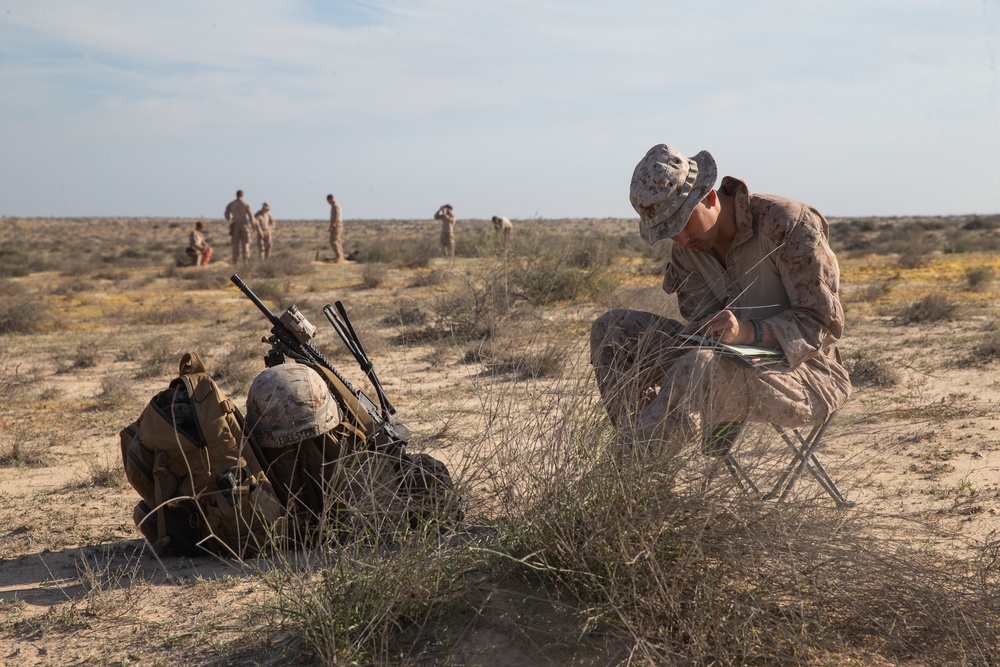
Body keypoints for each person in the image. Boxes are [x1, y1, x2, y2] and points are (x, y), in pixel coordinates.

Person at [590, 143, 851, 459]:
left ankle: (621, 478)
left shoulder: (786, 221)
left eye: (684, 224)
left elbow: (821, 323)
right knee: (612, 329)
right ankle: (645, 472)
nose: (682, 240)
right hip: (716, 367)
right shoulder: (687, 250)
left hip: (806, 374)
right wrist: (704, 332)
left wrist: (745, 332)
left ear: (710, 197)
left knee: (699, 366)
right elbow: (701, 331)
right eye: (669, 233)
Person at [225, 189, 255, 265]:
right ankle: (246, 262)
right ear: (243, 195)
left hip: (235, 225)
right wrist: (253, 226)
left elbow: (227, 216)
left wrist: (232, 218)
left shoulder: (231, 204)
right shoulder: (246, 204)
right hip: (244, 225)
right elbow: (251, 217)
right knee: (246, 244)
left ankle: (235, 262)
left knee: (235, 245)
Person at [327, 194, 344, 263]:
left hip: (337, 225)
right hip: (337, 224)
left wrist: (333, 226)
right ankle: (341, 256)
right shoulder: (336, 205)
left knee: (333, 241)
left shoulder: (335, 206)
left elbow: (336, 216)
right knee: (337, 240)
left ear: (330, 199)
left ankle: (339, 257)